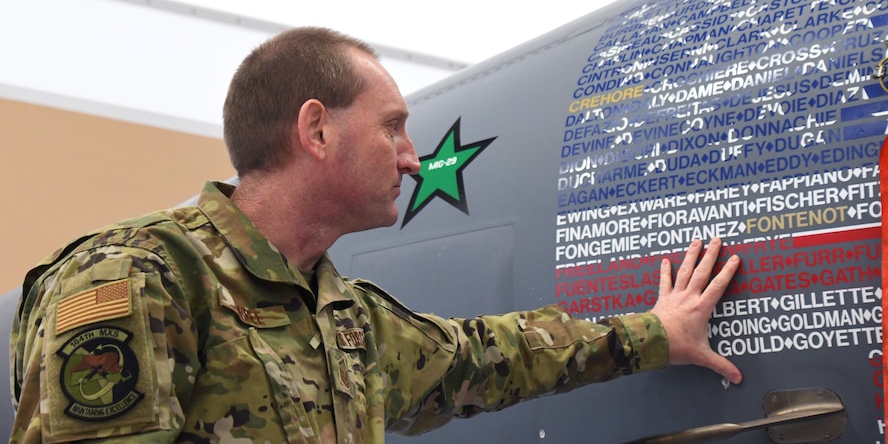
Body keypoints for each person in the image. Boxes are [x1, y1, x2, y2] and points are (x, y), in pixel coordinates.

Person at [9, 27, 742, 443]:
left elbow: (488, 358)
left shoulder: (343, 319)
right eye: (392, 127)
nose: (413, 158)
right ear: (316, 130)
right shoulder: (139, 277)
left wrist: (656, 332)